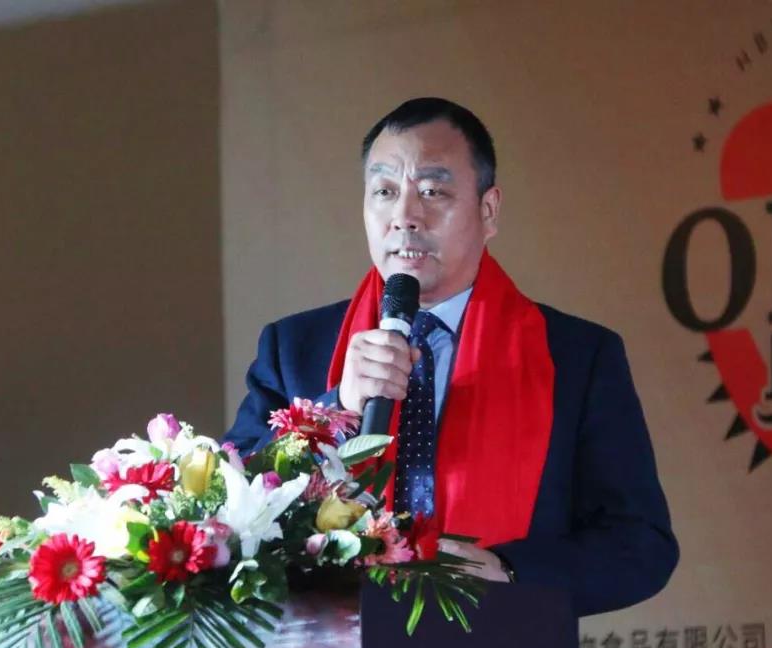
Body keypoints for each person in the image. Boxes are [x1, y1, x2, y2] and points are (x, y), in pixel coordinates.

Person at [224, 97, 678, 614]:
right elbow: (224, 511)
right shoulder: (295, 348)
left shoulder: (577, 357)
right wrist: (335, 409)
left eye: (432, 191)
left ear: (488, 211)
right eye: (384, 192)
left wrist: (510, 573)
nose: (404, 217)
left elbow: (640, 546)